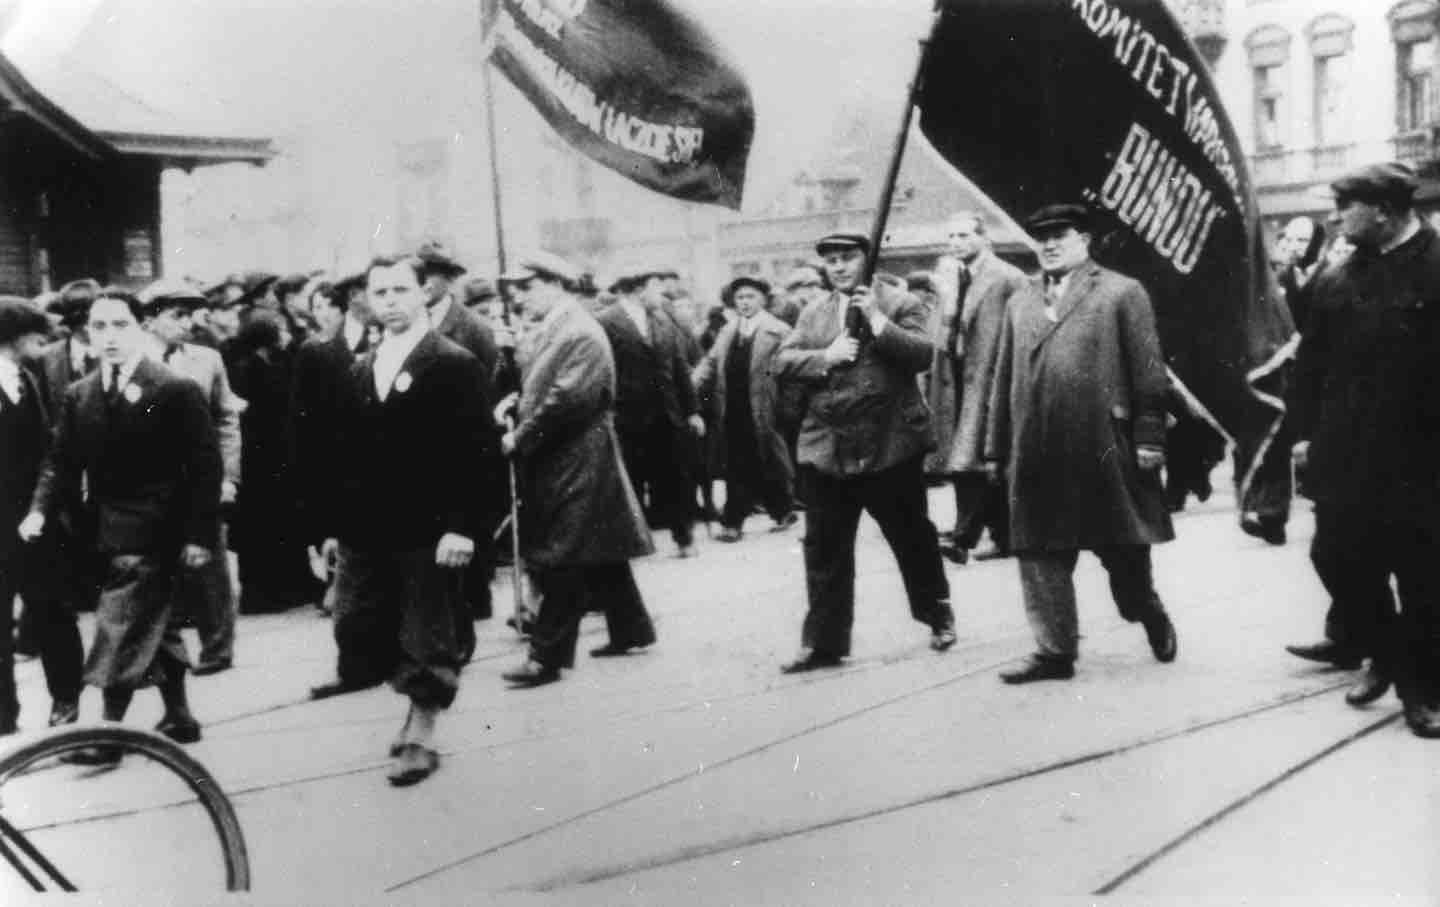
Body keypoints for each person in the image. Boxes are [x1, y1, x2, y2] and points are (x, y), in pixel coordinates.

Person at [314, 255, 497, 784]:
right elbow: (343, 453)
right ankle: (414, 702)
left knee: (426, 627)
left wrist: (463, 526)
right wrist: (331, 527)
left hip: (429, 525)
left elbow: (476, 453)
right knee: (357, 624)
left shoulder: (452, 362)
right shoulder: (361, 365)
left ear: (424, 294)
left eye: (400, 290)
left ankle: (421, 729)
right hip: (368, 526)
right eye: (380, 292)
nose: (389, 301)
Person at [22, 290, 221, 762]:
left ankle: (109, 733)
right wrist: (38, 509)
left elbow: (204, 467)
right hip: (106, 531)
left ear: (140, 327)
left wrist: (199, 535)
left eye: (119, 326)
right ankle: (178, 713)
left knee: (121, 622)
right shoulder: (81, 392)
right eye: (99, 327)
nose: (108, 337)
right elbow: (61, 461)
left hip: (157, 530)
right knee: (157, 622)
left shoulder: (173, 388)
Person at [984, 204, 1177, 684]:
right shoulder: (1020, 300)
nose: (1048, 245)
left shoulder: (1120, 292)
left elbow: (1148, 370)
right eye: (1040, 237)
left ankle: (1146, 609)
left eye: (1060, 235)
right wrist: (996, 446)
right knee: (1038, 552)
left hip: (1102, 444)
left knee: (1123, 551)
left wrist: (1150, 436)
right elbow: (1002, 375)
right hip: (1036, 450)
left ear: (1085, 240)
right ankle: (1054, 653)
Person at [1287, 162, 1440, 737]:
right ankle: (1390, 655)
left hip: (1423, 460)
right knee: (1337, 559)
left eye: (1343, 205)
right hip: (1347, 455)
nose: (1334, 216)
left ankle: (1421, 689)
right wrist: (1302, 435)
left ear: (1383, 209)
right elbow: (1310, 366)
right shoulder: (1336, 277)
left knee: (1424, 577)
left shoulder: (1436, 265)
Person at [772, 232, 957, 672]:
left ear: (867, 260)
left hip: (888, 443)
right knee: (825, 548)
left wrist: (876, 321)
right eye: (831, 260)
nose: (838, 267)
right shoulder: (814, 312)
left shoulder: (899, 302)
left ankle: (936, 612)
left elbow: (922, 354)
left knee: (910, 536)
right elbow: (781, 360)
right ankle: (824, 643)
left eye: (847, 258)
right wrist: (826, 356)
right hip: (829, 445)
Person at [496, 253, 656, 687]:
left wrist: (522, 435)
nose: (520, 297)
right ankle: (631, 628)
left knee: (563, 555)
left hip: (578, 455)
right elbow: (543, 387)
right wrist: (516, 402)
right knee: (598, 544)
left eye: (528, 287)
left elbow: (567, 400)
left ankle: (546, 656)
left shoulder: (580, 331)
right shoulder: (559, 327)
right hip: (574, 455)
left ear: (556, 284)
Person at [140, 282, 243, 675]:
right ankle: (160, 657)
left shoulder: (207, 360)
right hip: (150, 486)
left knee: (212, 569)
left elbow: (226, 419)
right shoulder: (134, 361)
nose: (186, 325)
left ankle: (218, 649)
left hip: (200, 480)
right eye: (175, 316)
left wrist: (227, 476)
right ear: (149, 320)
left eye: (189, 315)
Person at [927, 212, 1027, 566]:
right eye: (951, 236)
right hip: (955, 378)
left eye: (964, 235)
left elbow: (1023, 328)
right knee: (970, 458)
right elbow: (941, 332)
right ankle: (1002, 536)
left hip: (989, 376)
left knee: (977, 458)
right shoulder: (950, 278)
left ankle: (963, 536)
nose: (956, 243)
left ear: (984, 238)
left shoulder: (1007, 277)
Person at [596, 266, 705, 557]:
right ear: (638, 288)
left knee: (674, 477)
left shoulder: (662, 319)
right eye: (655, 287)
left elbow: (680, 366)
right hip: (627, 418)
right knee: (630, 480)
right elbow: (602, 371)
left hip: (668, 415)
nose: (661, 293)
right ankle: (631, 542)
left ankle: (684, 537)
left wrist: (692, 410)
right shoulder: (607, 322)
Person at [0, 299, 66, 734]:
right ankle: (5, 717)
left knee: (52, 611)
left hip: (34, 522)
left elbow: (46, 448)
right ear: (12, 338)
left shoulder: (28, 377)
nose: (43, 343)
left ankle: (66, 702)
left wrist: (41, 508)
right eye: (35, 335)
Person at [693, 277, 796, 541]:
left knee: (766, 461)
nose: (745, 303)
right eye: (740, 298)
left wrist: (785, 407)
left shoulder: (778, 330)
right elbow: (711, 362)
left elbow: (792, 372)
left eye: (750, 297)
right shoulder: (728, 331)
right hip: (732, 407)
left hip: (764, 408)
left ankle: (774, 509)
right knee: (739, 463)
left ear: (763, 299)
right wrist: (690, 386)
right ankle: (738, 520)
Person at [230, 310, 317, 613]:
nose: (286, 334)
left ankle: (291, 585)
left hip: (274, 459)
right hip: (260, 461)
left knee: (280, 524)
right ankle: (265, 594)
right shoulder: (249, 369)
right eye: (279, 330)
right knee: (263, 528)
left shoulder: (274, 363)